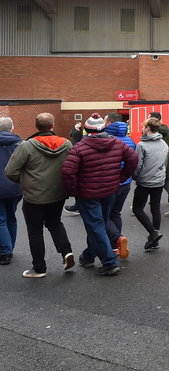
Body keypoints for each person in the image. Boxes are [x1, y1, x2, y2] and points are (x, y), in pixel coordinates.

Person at [60, 113, 138, 276]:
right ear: (104, 128)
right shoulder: (116, 143)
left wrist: (73, 191)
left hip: (88, 193)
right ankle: (88, 256)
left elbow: (68, 171)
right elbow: (133, 158)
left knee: (95, 226)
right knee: (98, 225)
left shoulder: (79, 148)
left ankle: (109, 262)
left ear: (87, 130)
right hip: (110, 191)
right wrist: (121, 177)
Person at [4, 113, 74, 277]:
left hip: (34, 196)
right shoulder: (67, 144)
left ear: (36, 126)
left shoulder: (27, 146)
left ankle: (39, 268)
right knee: (55, 223)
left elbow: (10, 171)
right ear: (53, 125)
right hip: (58, 193)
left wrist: (24, 182)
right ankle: (66, 252)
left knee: (35, 231)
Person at [130, 117, 168, 251]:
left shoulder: (141, 145)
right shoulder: (163, 143)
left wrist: (135, 176)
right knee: (155, 208)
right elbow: (165, 162)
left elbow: (138, 165)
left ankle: (153, 233)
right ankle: (154, 241)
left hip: (145, 181)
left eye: (143, 127)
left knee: (137, 208)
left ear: (148, 128)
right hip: (159, 180)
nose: (141, 129)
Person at [103, 112, 135, 260]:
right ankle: (116, 246)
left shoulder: (108, 141)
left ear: (109, 124)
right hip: (125, 183)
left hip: (110, 183)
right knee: (116, 213)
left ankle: (117, 239)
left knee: (104, 216)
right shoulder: (130, 140)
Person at [0, 117, 23, 266]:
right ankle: (10, 247)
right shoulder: (21, 144)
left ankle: (5, 251)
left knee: (0, 219)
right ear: (12, 127)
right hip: (16, 186)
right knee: (11, 217)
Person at [148, 112, 169, 217]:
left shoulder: (156, 132)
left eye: (149, 117)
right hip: (165, 161)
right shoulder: (166, 131)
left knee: (158, 183)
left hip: (159, 162)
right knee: (165, 183)